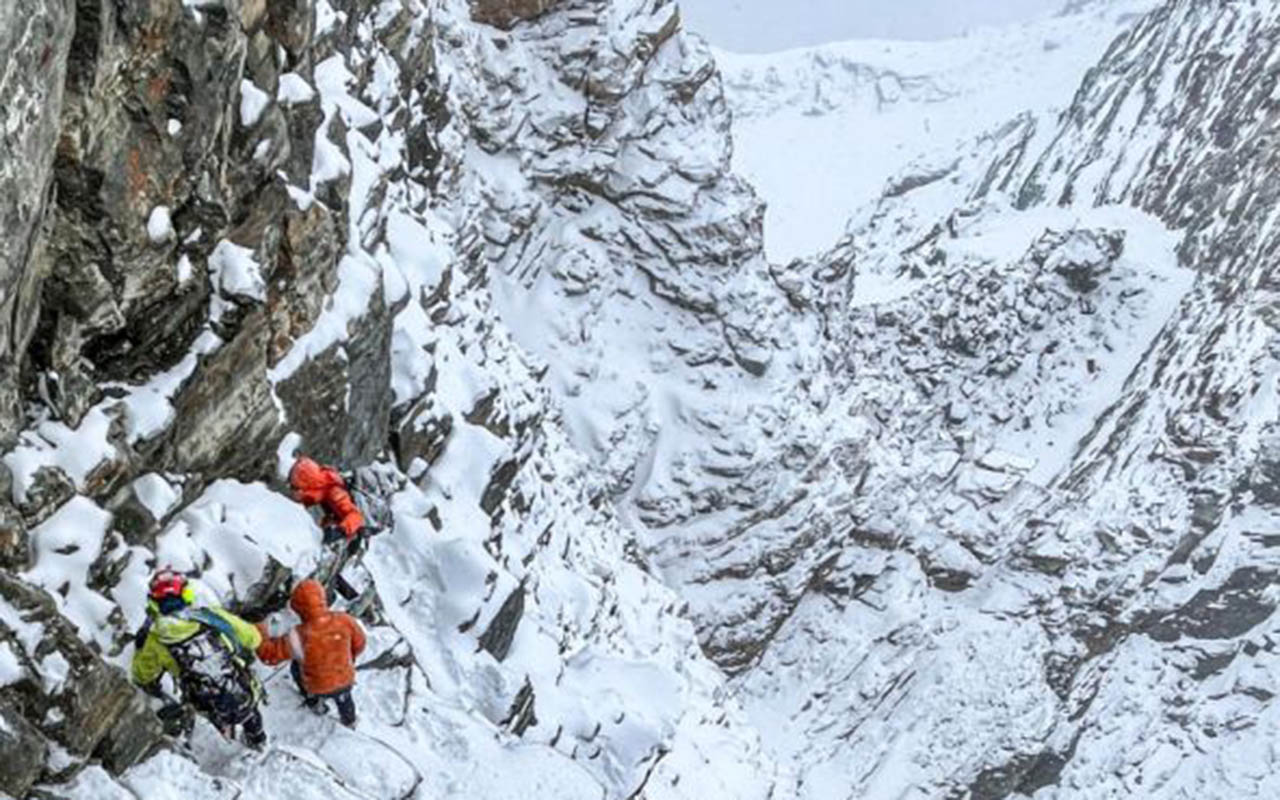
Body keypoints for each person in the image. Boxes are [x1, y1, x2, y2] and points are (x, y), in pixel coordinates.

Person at [131, 569, 267, 748]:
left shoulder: (156, 641)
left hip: (203, 700)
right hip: (239, 687)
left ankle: (226, 740)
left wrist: (140, 647)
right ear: (186, 596)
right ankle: (257, 739)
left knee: (213, 706)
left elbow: (142, 675)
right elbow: (254, 639)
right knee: (246, 707)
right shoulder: (210, 617)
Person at [256, 579, 366, 728]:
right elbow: (360, 644)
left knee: (296, 667)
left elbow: (269, 656)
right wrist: (346, 659)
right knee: (345, 698)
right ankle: (350, 720)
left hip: (317, 686)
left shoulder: (297, 635)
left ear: (297, 607)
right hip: (345, 679)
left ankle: (313, 701)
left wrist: (260, 631)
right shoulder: (344, 620)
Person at [288, 456, 365, 545]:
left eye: (296, 488)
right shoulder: (319, 484)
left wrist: (339, 531)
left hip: (343, 529)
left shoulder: (334, 492)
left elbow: (355, 516)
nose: (294, 491)